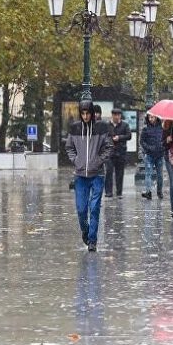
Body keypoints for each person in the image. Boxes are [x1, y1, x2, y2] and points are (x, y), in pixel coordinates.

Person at [66, 100, 113, 252]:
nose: (85, 116)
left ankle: (92, 240)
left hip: (97, 174)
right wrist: (76, 160)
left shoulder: (101, 127)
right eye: (83, 113)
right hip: (80, 175)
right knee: (81, 209)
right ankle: (85, 230)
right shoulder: (75, 128)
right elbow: (69, 147)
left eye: (88, 113)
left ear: (92, 113)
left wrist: (99, 160)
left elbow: (109, 146)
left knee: (94, 208)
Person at [105, 108, 131, 198]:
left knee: (120, 173)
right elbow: (104, 136)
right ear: (112, 115)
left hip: (121, 152)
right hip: (110, 152)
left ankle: (119, 192)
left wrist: (119, 137)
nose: (116, 117)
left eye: (118, 115)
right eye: (115, 115)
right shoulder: (107, 125)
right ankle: (108, 192)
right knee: (109, 171)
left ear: (120, 116)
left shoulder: (125, 125)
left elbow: (129, 136)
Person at [140, 114, 165, 199]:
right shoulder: (145, 129)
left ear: (156, 117)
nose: (151, 119)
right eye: (149, 117)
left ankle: (159, 192)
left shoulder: (162, 129)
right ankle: (148, 192)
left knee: (160, 175)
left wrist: (162, 147)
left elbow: (164, 140)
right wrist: (149, 148)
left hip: (160, 155)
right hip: (149, 155)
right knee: (148, 174)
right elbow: (142, 142)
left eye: (152, 117)